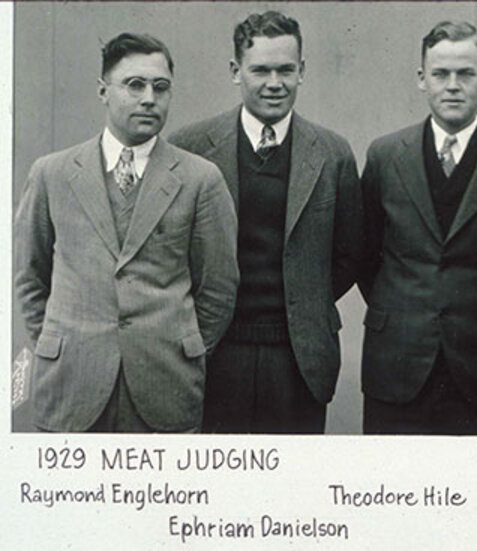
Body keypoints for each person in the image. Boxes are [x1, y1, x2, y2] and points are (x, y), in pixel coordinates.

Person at [14, 33, 239, 432]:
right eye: (134, 85)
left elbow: (218, 287)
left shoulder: (200, 180)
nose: (149, 97)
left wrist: (179, 350)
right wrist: (60, 346)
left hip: (165, 387)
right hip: (70, 387)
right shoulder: (52, 173)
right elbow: (29, 279)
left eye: (160, 87)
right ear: (103, 91)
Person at [169, 11, 362, 434]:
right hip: (215, 349)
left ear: (302, 71)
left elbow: (351, 254)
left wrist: (303, 296)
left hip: (299, 354)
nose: (274, 82)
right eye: (261, 70)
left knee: (294, 488)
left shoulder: (333, 153)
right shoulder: (191, 147)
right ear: (236, 72)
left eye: (285, 70)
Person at [359, 21, 477, 435]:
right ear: (421, 79)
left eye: (466, 74)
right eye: (440, 74)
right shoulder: (385, 155)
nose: (452, 86)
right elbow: (364, 255)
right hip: (398, 363)